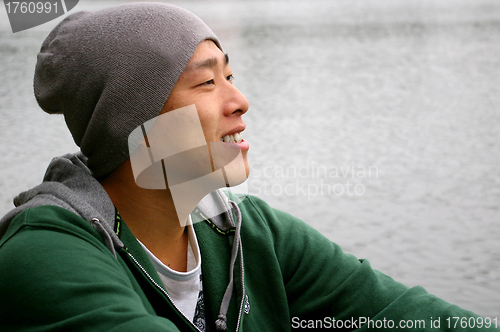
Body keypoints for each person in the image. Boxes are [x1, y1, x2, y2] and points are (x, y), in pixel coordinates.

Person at [0, 2, 497, 332]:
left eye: (231, 75)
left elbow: (403, 316)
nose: (240, 101)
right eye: (206, 84)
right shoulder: (43, 255)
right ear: (135, 123)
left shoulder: (249, 232)